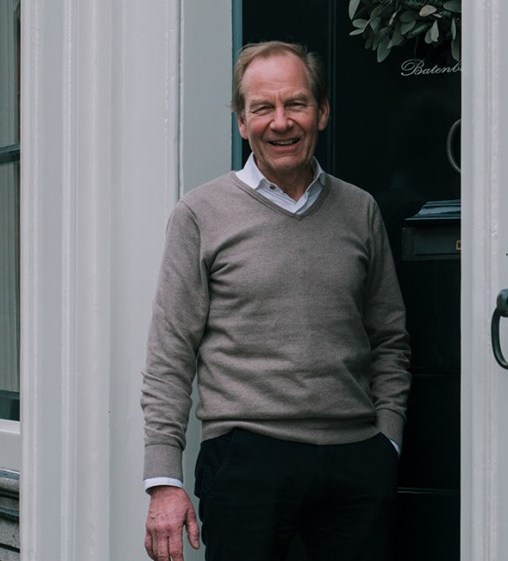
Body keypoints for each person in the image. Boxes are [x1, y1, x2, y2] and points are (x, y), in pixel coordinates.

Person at [140, 40, 411, 561]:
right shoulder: (199, 214)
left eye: (296, 104)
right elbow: (170, 355)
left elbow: (390, 339)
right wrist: (163, 481)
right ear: (243, 123)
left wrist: (387, 440)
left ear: (323, 112)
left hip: (357, 460)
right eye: (263, 108)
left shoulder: (361, 210)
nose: (281, 122)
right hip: (247, 461)